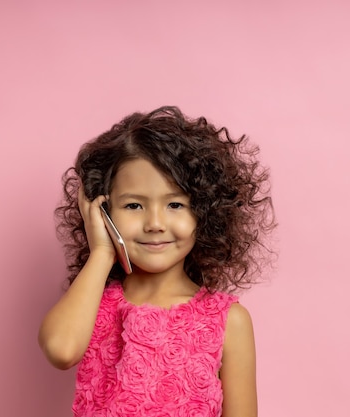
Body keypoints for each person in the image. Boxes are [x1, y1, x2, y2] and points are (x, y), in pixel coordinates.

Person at [39, 106, 276, 417]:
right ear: (104, 213)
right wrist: (102, 250)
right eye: (134, 205)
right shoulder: (92, 304)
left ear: (205, 212)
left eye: (175, 204)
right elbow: (61, 350)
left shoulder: (229, 321)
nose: (154, 223)